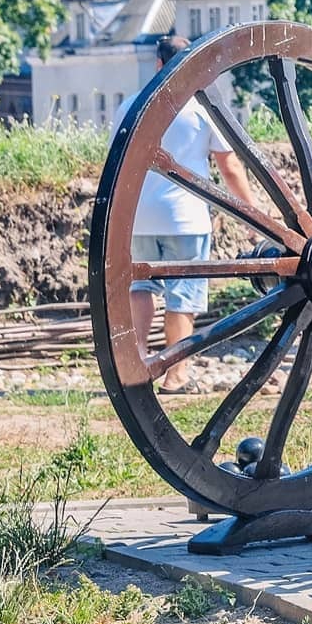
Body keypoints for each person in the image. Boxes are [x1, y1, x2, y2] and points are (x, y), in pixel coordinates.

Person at [113, 35, 254, 393]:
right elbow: (230, 167)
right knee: (183, 296)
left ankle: (138, 361)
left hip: (138, 216)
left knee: (139, 289)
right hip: (184, 216)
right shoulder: (200, 110)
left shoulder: (130, 105)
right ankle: (176, 374)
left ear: (158, 64)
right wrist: (251, 214)